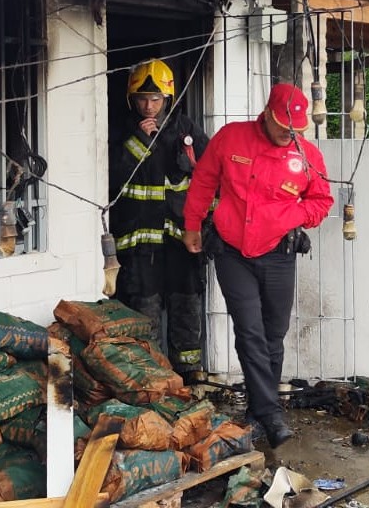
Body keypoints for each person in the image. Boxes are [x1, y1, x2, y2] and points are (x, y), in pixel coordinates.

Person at [181, 83, 334, 448]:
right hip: (233, 251)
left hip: (279, 254)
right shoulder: (231, 138)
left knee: (272, 335)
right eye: (283, 127)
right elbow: (203, 181)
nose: (288, 135)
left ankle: (257, 410)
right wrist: (191, 224)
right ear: (266, 115)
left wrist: (291, 214)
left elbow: (322, 201)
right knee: (249, 331)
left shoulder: (306, 155)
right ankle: (272, 414)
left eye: (295, 130)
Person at [109, 58, 209, 375]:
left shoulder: (186, 130)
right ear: (131, 99)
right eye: (142, 98)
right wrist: (140, 142)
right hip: (140, 245)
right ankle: (150, 377)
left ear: (167, 98)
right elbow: (112, 175)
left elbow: (209, 176)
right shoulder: (120, 130)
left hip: (181, 241)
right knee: (143, 312)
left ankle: (189, 375)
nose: (149, 106)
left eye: (155, 99)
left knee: (186, 307)